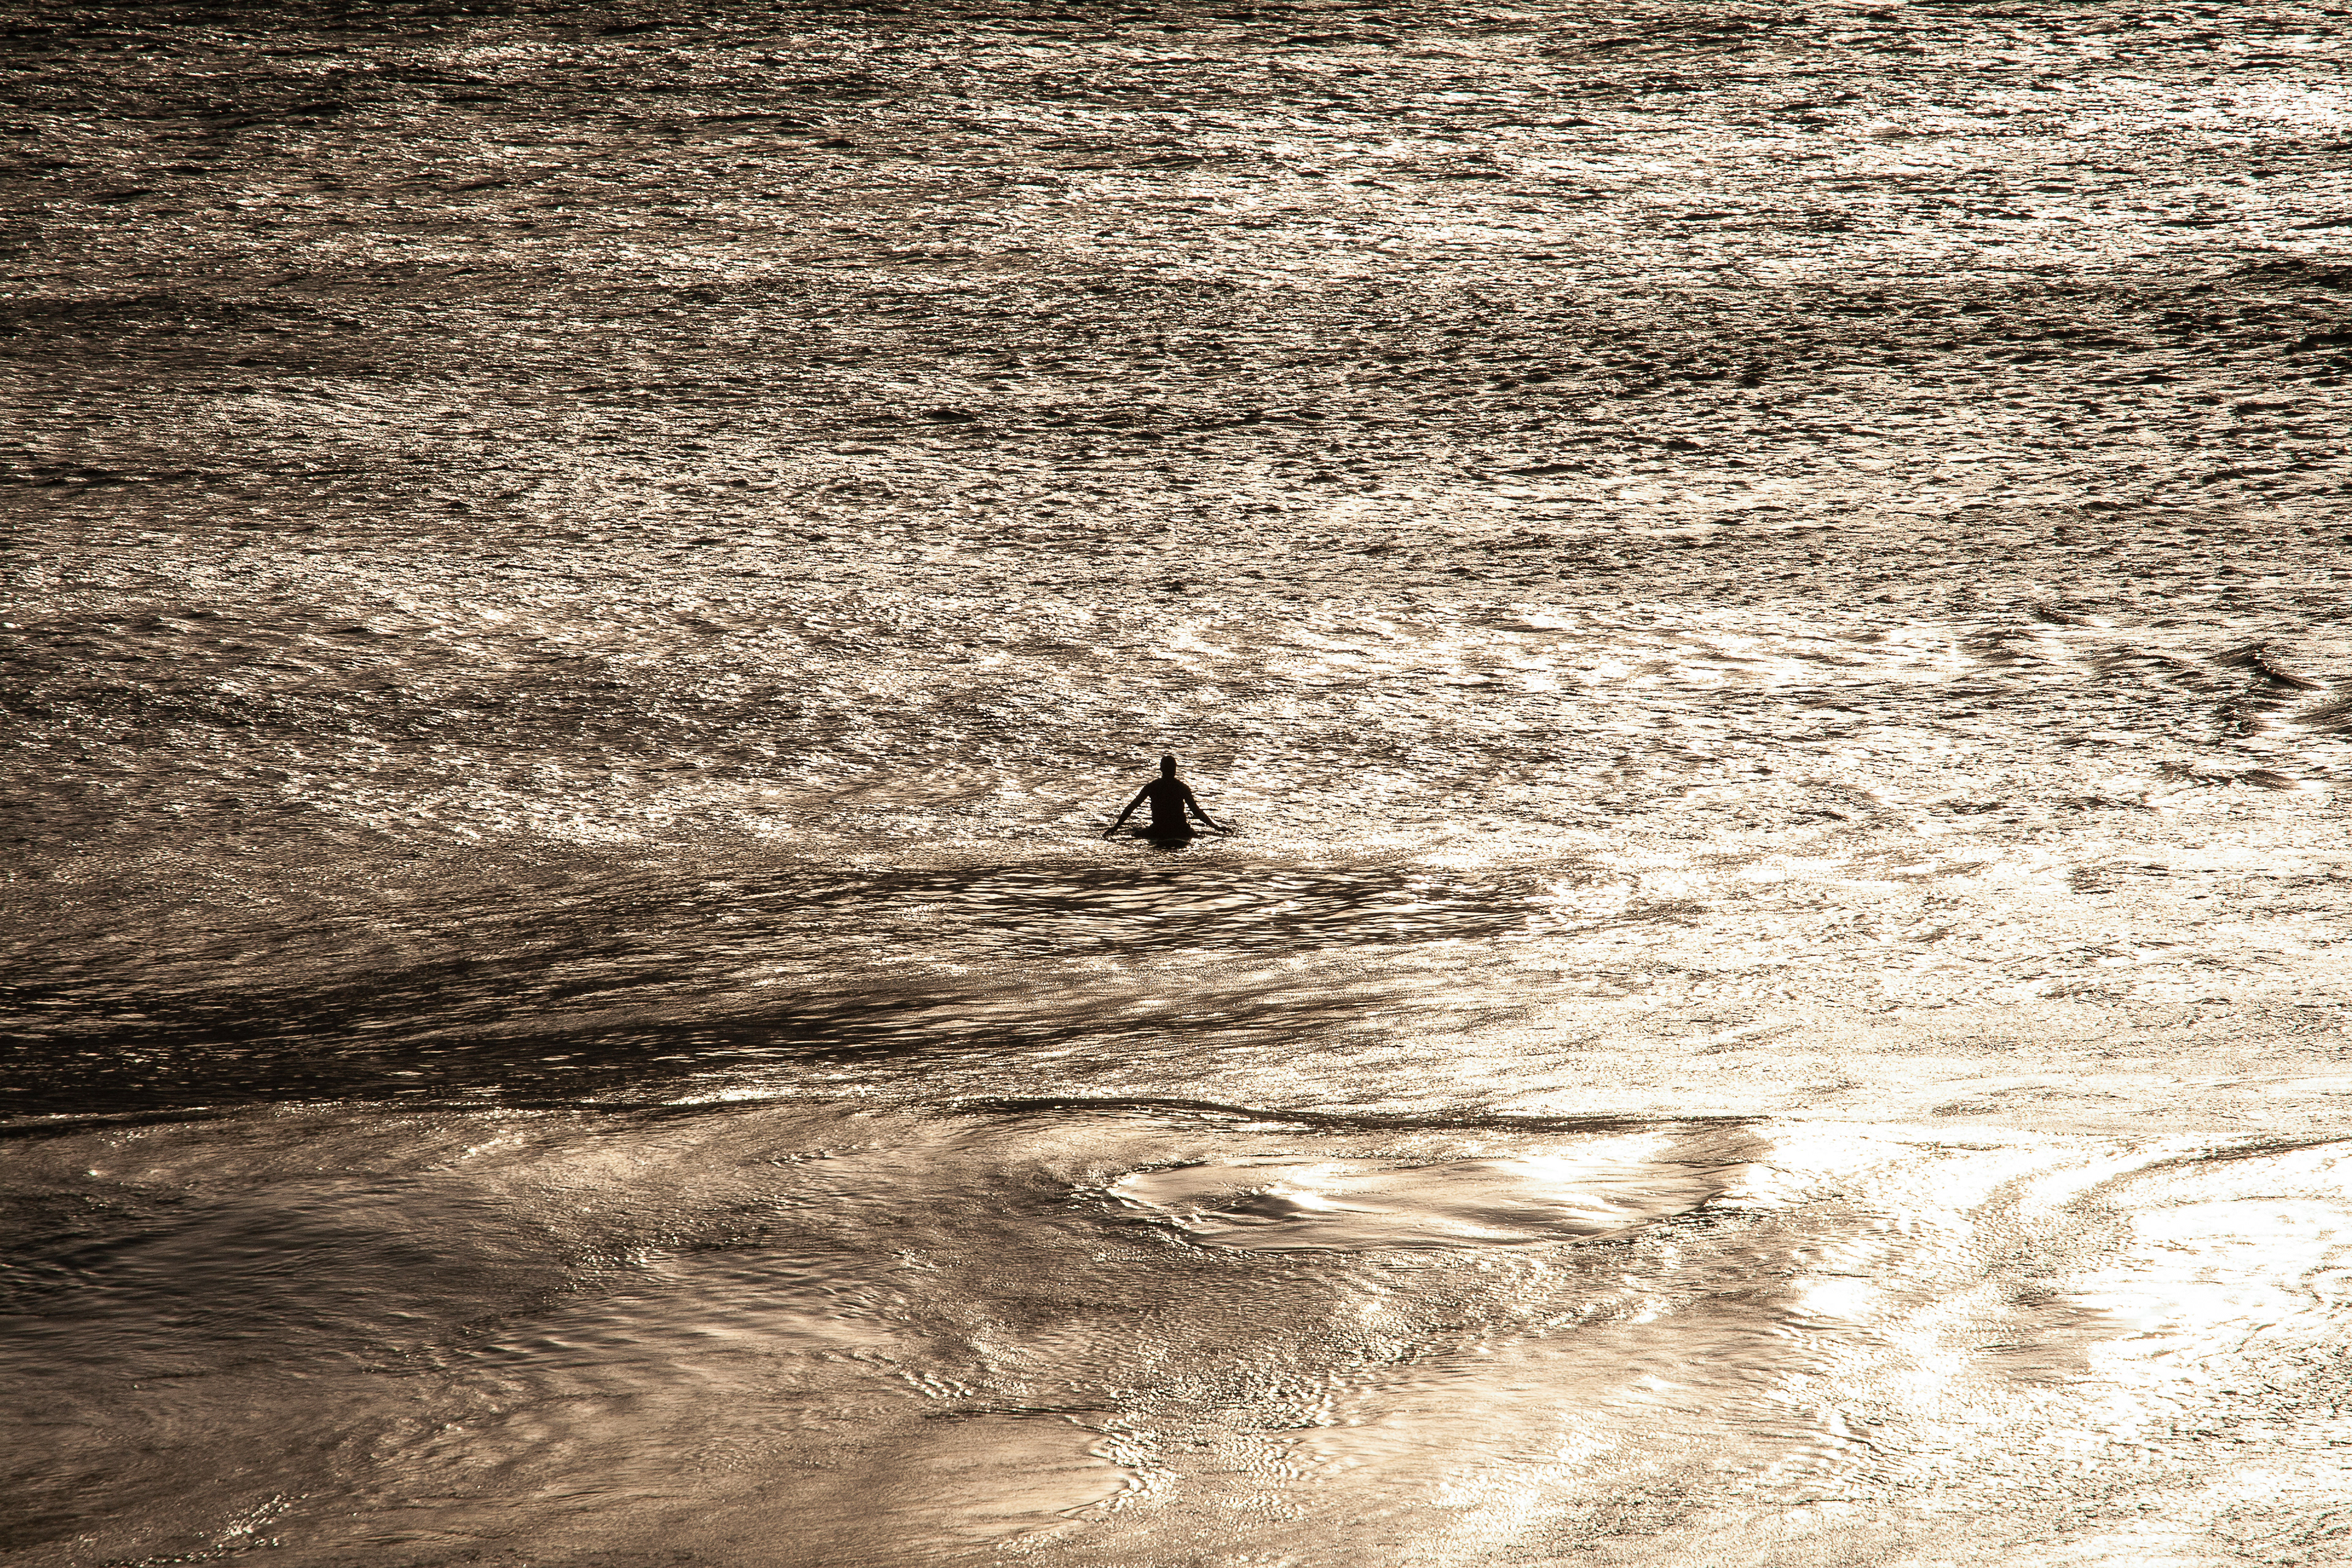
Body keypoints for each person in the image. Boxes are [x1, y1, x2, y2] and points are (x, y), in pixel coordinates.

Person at [1106, 754, 1229, 839]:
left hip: (1159, 829)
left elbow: (1132, 807)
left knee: (1134, 834)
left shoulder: (1152, 787)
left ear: (1161, 769)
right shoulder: (1182, 787)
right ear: (1175, 770)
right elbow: (1196, 811)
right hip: (1181, 830)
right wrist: (1216, 828)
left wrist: (1116, 827)